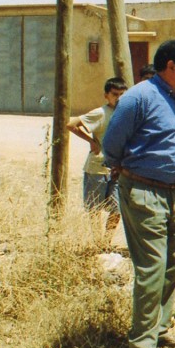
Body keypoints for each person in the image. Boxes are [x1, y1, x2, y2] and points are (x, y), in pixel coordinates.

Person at [102, 39, 175, 348]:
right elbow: (111, 145)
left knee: (172, 262)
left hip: (174, 191)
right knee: (152, 267)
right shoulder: (138, 97)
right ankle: (142, 344)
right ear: (169, 67)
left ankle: (161, 327)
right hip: (142, 190)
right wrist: (128, 171)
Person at [66, 77, 128, 244]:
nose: (119, 98)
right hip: (97, 167)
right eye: (115, 94)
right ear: (106, 95)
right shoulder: (100, 113)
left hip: (117, 169)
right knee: (95, 208)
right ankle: (97, 242)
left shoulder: (126, 113)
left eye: (122, 94)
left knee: (117, 208)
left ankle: (106, 242)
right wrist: (91, 142)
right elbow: (71, 124)